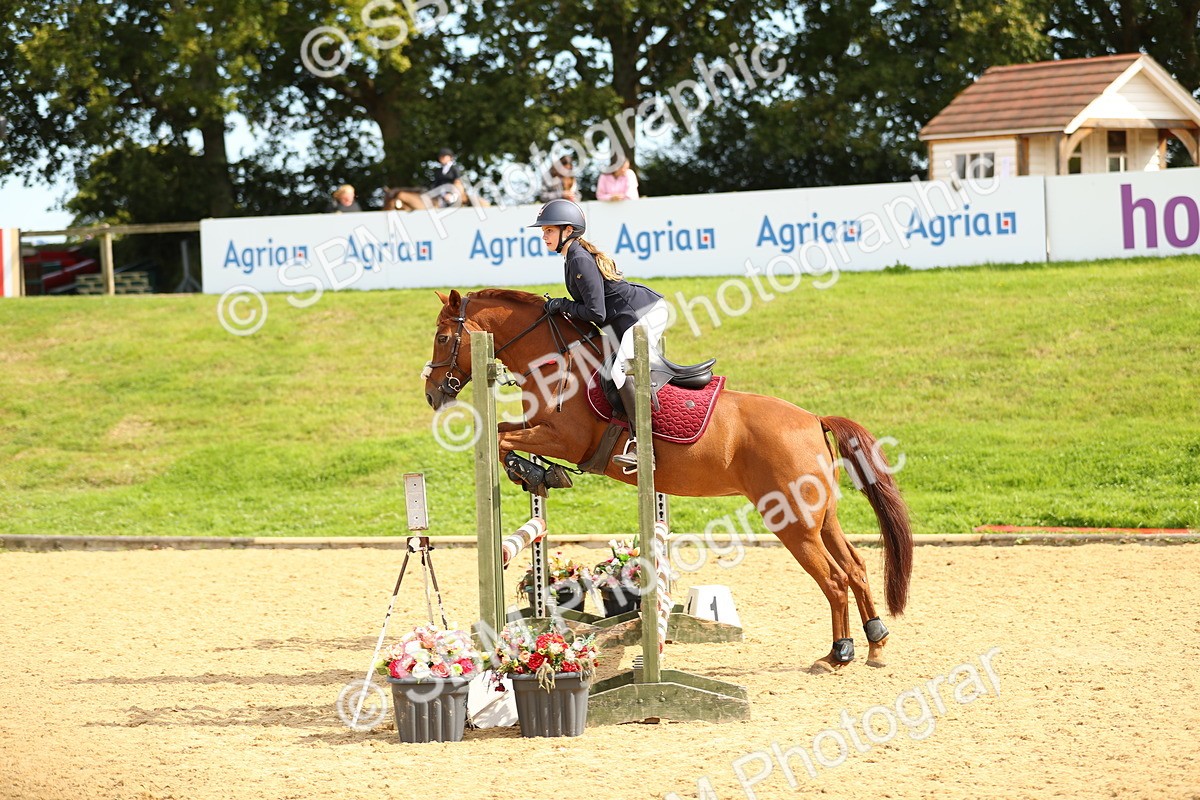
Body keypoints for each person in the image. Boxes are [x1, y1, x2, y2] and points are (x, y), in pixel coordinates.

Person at [531, 199, 667, 470]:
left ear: (568, 230)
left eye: (549, 230)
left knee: (620, 372)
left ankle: (644, 448)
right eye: (544, 231)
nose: (543, 236)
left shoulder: (579, 258)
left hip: (645, 314)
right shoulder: (572, 256)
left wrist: (562, 304)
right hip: (628, 320)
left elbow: (596, 313)